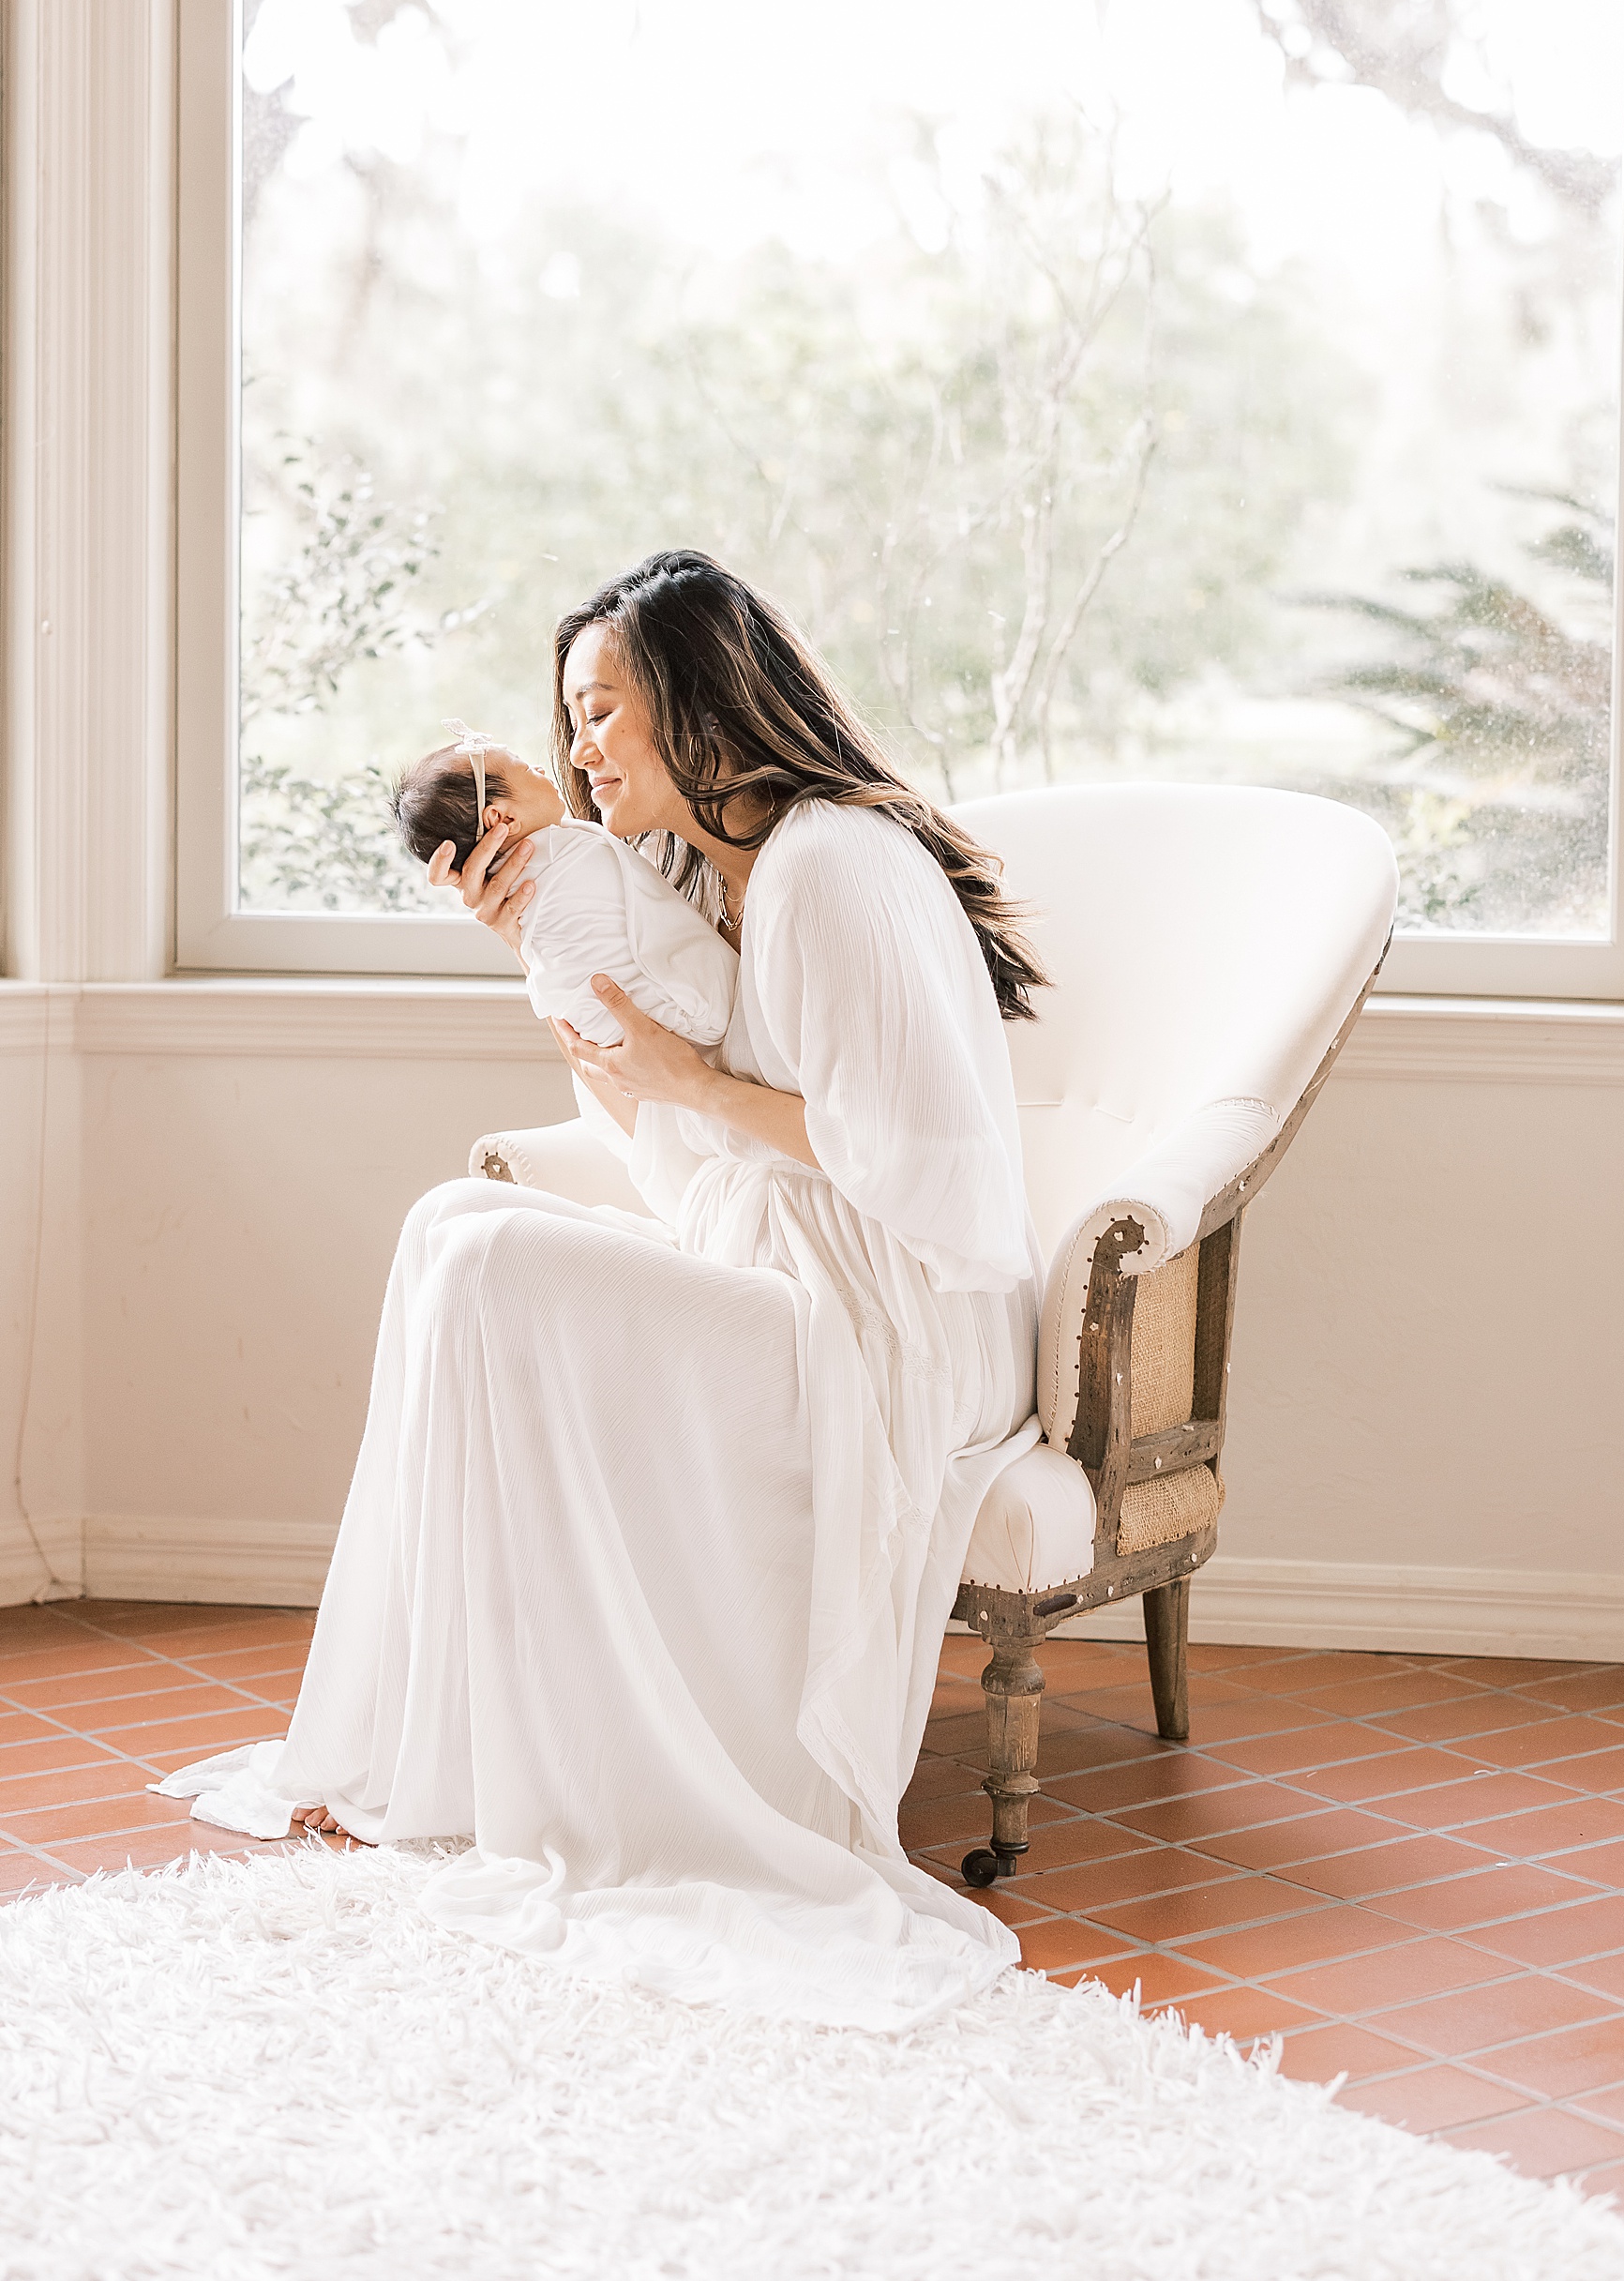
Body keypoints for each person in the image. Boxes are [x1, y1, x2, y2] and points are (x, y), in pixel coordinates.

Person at [157, 550, 1050, 2032]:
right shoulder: (699, 878)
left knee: (497, 1252)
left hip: (900, 1321)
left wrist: (694, 1076)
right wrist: (550, 960)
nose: (575, 753)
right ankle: (456, 1745)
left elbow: (930, 1168)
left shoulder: (836, 863)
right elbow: (679, 1157)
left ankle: (623, 1776)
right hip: (788, 1261)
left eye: (601, 713)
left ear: (697, 701)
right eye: (565, 719)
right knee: (453, 1224)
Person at [391, 718, 738, 1049]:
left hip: (611, 1032)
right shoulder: (563, 856)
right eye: (527, 769)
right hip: (691, 1011)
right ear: (503, 818)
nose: (542, 769)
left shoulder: (527, 882)